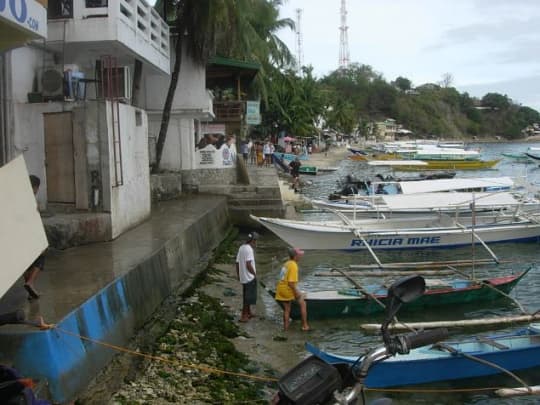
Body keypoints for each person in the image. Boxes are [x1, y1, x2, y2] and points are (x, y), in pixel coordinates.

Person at [275, 247, 309, 331]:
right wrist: (298, 294)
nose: (301, 257)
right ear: (295, 256)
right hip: (287, 290)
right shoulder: (294, 266)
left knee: (287, 309)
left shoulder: (287, 263)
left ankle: (285, 329)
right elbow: (291, 284)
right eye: (300, 255)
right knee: (302, 302)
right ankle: (305, 325)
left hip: (280, 289)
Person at [23, 175, 44, 300]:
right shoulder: (30, 199)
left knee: (25, 261)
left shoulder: (18, 197)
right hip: (29, 233)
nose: (37, 191)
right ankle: (30, 282)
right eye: (37, 188)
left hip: (18, 234)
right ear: (34, 187)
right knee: (42, 255)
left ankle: (30, 290)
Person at [236, 232, 259, 322]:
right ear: (253, 241)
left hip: (243, 277)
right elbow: (248, 264)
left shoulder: (241, 248)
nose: (256, 243)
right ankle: (244, 316)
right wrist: (254, 274)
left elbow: (237, 263)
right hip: (249, 277)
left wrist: (239, 275)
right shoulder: (249, 249)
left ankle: (248, 312)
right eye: (255, 241)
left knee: (246, 295)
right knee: (248, 297)